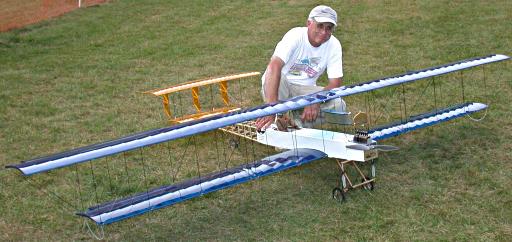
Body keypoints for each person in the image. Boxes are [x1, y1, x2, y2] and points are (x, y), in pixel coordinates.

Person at [255, 5, 346, 131]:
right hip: (283, 86)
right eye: (320, 26)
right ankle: (277, 117)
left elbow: (335, 83)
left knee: (339, 105)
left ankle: (295, 123)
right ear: (309, 23)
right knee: (276, 75)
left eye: (329, 28)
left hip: (306, 90)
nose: (324, 32)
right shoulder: (295, 35)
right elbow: (274, 66)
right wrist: (272, 108)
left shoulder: (334, 45)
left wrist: (317, 100)